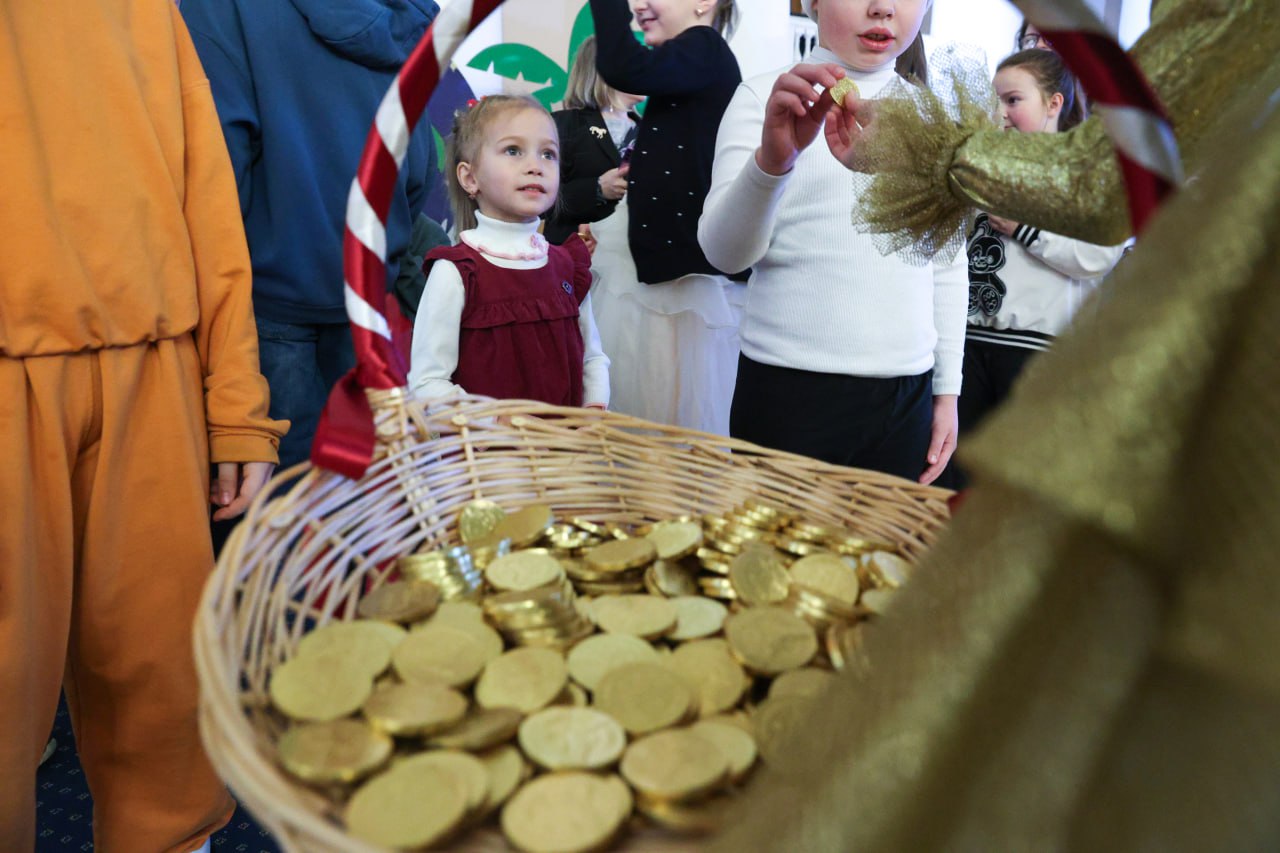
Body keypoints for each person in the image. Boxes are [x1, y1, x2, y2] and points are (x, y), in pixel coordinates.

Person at [0, 2, 287, 850]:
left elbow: (208, 196)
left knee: (165, 697)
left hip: (154, 366)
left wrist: (236, 405)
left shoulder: (155, 11)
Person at [698, 0, 966, 485]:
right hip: (787, 387)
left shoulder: (932, 116)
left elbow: (946, 265)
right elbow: (723, 253)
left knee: (883, 557)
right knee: (777, 555)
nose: (882, 7)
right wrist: (771, 163)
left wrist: (947, 392)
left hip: (906, 394)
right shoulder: (763, 98)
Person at [180, 0, 438, 470]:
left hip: (265, 297)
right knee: (363, 495)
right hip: (366, 296)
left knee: (276, 512)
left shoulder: (222, 9)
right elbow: (420, 164)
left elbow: (219, 162)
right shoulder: (403, 12)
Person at [950, 49, 1126, 488]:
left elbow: (1098, 255)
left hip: (1035, 353)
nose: (1001, 114)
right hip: (969, 346)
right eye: (997, 102)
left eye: (1013, 100)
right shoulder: (985, 163)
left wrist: (1027, 230)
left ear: (1053, 104)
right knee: (955, 477)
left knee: (1013, 483)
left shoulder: (1081, 174)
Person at [589, 0, 746, 436]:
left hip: (681, 290)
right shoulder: (692, 64)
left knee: (667, 425)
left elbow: (625, 67)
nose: (638, 5)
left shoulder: (704, 47)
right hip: (666, 278)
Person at [408, 96, 611, 409]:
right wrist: (492, 423)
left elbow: (592, 358)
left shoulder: (566, 266)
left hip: (565, 451)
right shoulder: (457, 271)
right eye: (513, 150)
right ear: (469, 177)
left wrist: (594, 407)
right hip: (490, 454)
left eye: (548, 154)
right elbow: (427, 383)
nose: (535, 166)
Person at [545, 36, 643, 246]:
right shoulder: (562, 125)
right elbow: (540, 198)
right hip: (574, 262)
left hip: (635, 264)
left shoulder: (653, 132)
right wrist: (597, 189)